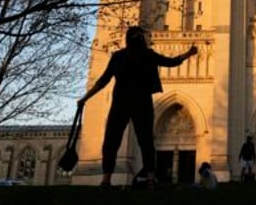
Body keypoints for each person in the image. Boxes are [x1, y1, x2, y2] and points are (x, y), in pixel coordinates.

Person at [78, 25, 198, 188]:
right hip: (139, 103)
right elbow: (172, 62)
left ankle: (108, 179)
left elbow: (103, 81)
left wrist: (85, 98)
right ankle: (148, 179)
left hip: (123, 103)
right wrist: (189, 54)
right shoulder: (145, 55)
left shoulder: (120, 56)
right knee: (143, 141)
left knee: (115, 141)